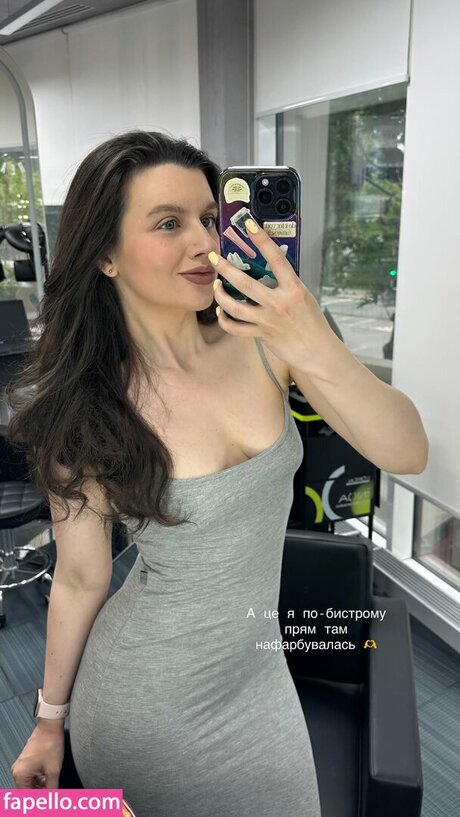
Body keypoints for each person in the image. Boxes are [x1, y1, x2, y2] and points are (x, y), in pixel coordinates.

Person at [7, 130, 325, 816]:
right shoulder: (90, 406)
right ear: (106, 255)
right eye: (168, 223)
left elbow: (402, 444)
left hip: (259, 663)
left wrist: (308, 327)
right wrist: (49, 722)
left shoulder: (265, 345)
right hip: (150, 705)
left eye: (210, 217)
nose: (205, 242)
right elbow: (81, 578)